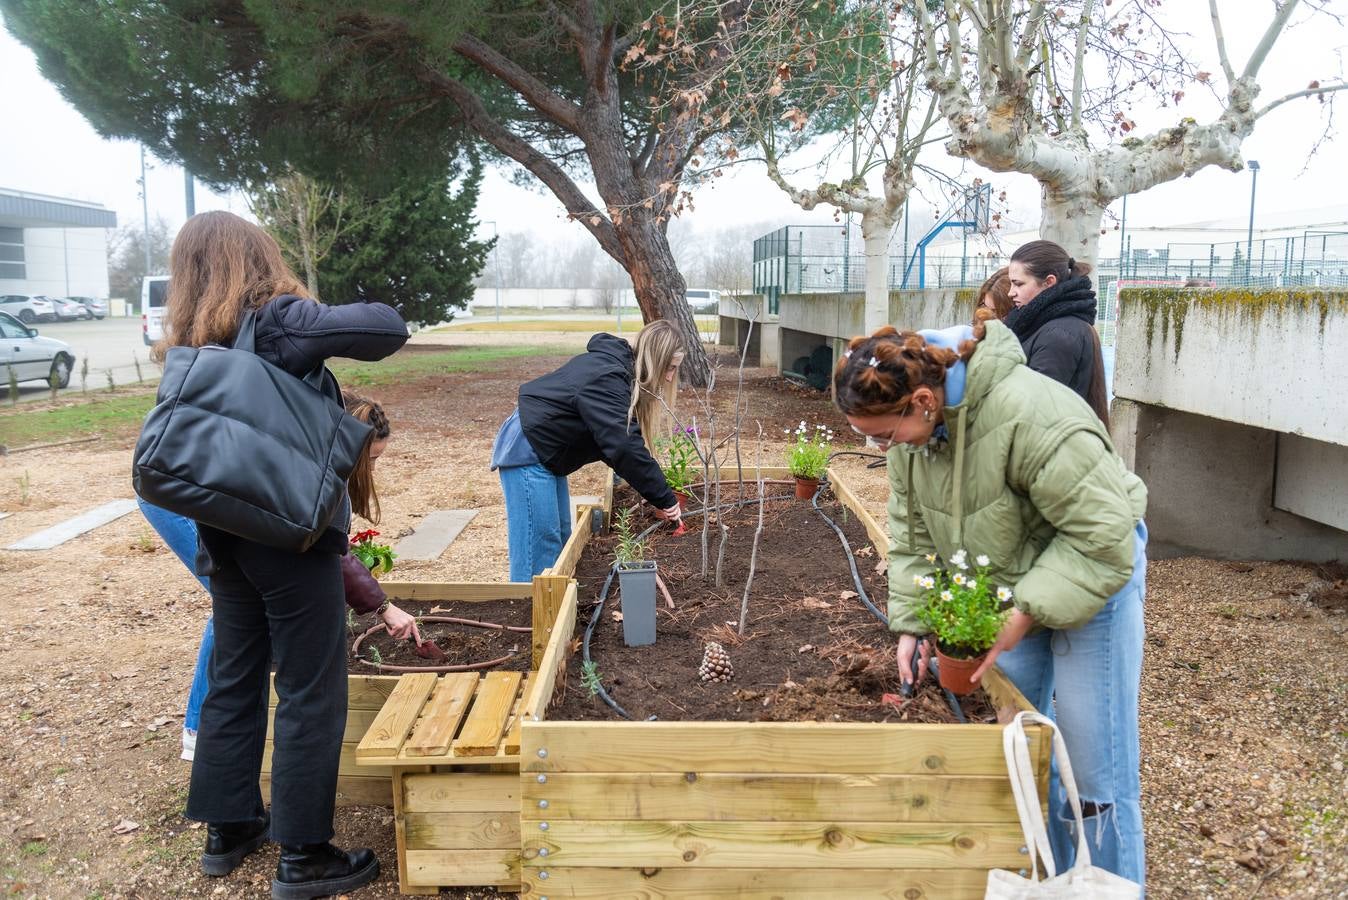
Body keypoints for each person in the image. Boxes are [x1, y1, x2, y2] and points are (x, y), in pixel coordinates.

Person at [834, 310, 1149, 885]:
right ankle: (1054, 879)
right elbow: (910, 538)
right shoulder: (915, 441)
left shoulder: (1032, 413)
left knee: (1092, 769)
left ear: (924, 401)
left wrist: (1024, 611)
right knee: (1027, 751)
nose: (879, 450)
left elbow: (1102, 536)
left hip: (1095, 573)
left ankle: (1107, 886)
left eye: (881, 435)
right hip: (1009, 581)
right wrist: (912, 622)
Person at [158, 211, 407, 899]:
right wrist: (304, 306)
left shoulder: (196, 340)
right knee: (308, 687)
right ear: (254, 258)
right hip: (285, 536)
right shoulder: (275, 321)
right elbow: (387, 328)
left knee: (236, 675)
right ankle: (304, 855)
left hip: (222, 531)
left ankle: (228, 825)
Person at [150, 391, 421, 762]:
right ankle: (199, 729)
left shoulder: (316, 445)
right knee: (232, 602)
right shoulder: (310, 459)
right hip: (179, 491)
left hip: (211, 487)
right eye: (370, 460)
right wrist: (384, 607)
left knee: (243, 601)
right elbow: (328, 551)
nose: (372, 470)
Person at [492, 321, 684, 580]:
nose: (671, 377)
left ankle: (549, 613)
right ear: (655, 359)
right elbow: (623, 446)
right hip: (529, 448)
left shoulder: (614, 371)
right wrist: (665, 499)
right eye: (670, 368)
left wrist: (654, 491)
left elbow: (611, 444)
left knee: (559, 537)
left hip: (545, 449)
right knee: (539, 555)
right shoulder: (607, 377)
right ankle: (532, 617)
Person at [1005, 240, 1110, 425]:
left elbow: (1032, 410)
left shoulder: (1058, 335)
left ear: (1049, 283)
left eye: (1018, 284)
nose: (1010, 293)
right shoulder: (1043, 325)